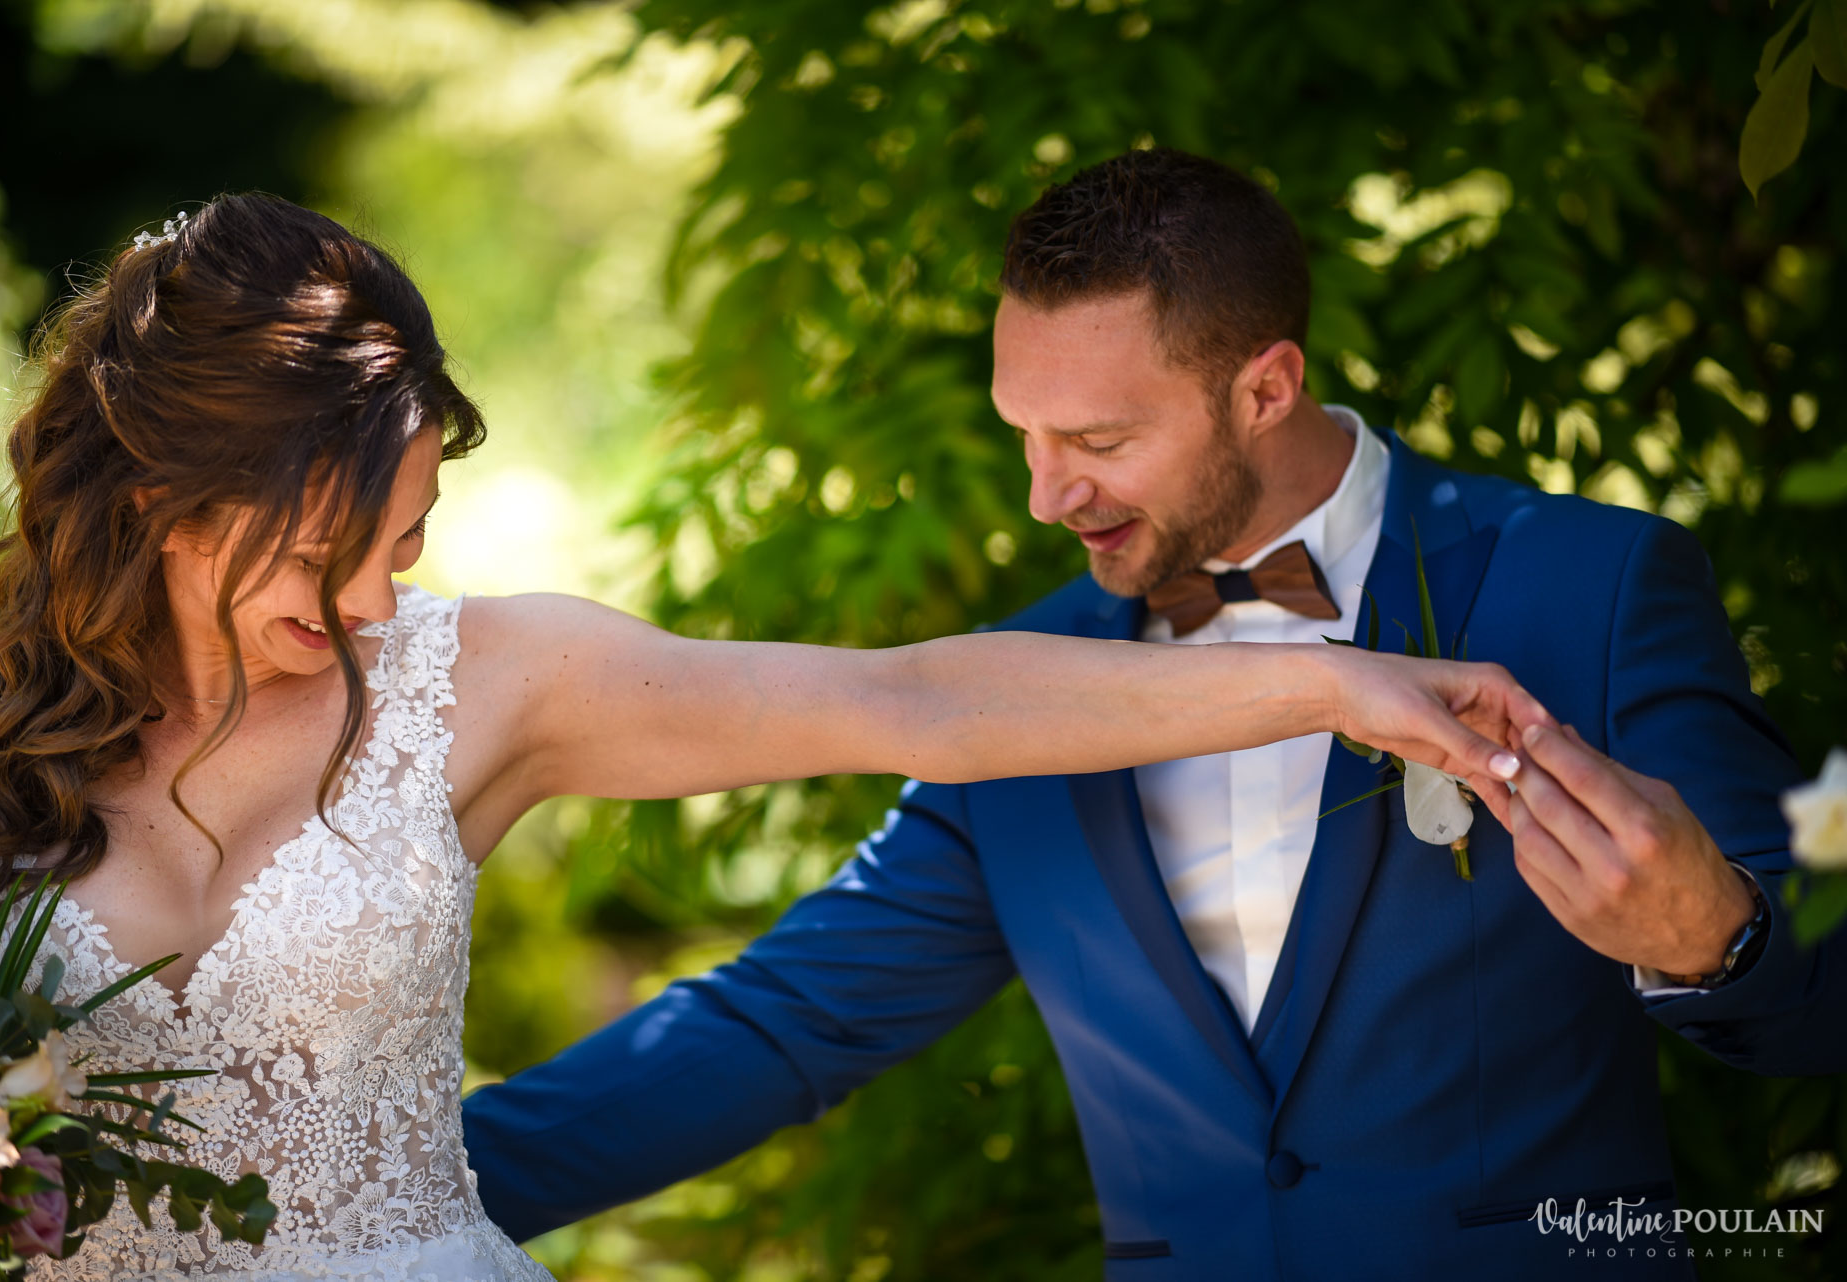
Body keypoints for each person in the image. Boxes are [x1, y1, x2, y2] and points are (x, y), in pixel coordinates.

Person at [0, 193, 1537, 1280]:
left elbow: (913, 698)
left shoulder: (483, 683)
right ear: (160, 502)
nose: (371, 600)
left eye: (406, 540)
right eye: (327, 545)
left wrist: (1335, 686)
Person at [460, 149, 1846, 1280]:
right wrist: (343, 1205)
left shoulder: (1590, 585)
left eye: (1101, 442)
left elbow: (1813, 994)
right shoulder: (1021, 692)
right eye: (1025, 433)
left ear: (1267, 387)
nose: (1044, 496)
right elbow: (784, 1021)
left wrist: (1716, 942)